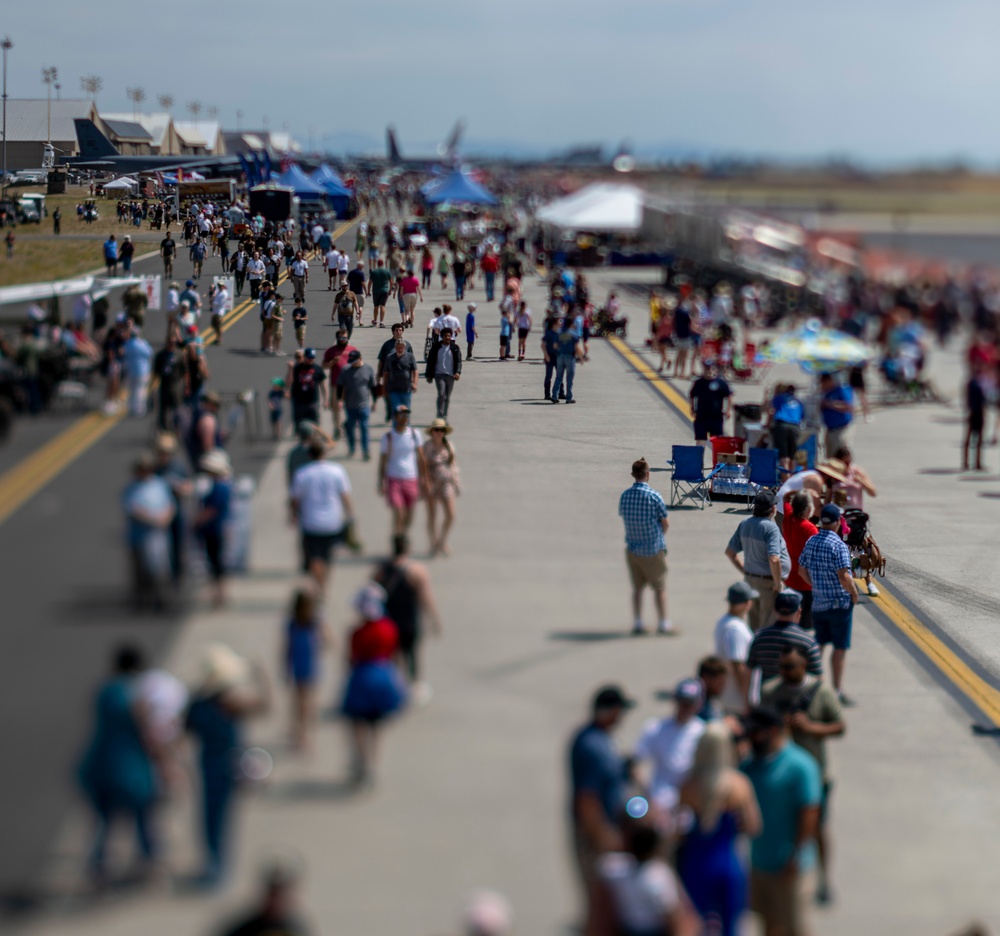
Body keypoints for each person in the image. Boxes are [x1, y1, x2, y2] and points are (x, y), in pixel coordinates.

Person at [761, 644, 846, 906]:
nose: (785, 672)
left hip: (816, 775)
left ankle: (824, 880)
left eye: (790, 667)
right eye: (782, 667)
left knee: (817, 828)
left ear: (804, 666)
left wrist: (810, 728)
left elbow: (839, 726)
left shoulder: (821, 692)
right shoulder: (770, 692)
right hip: (779, 774)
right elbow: (758, 726)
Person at [186, 644, 271, 887]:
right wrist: (263, 678)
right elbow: (265, 706)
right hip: (229, 765)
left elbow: (182, 732)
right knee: (222, 819)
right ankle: (218, 865)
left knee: (209, 817)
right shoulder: (231, 704)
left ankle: (213, 863)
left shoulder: (199, 704)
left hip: (208, 765)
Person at [77, 646, 160, 887]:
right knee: (144, 815)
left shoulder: (104, 691)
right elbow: (146, 733)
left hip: (100, 761)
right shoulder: (135, 696)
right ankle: (149, 862)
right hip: (130, 766)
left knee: (104, 821)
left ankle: (99, 865)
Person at [742, 705, 822, 936]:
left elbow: (810, 812)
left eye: (756, 732)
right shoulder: (750, 765)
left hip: (790, 867)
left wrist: (796, 854)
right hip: (759, 864)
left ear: (774, 731)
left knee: (795, 928)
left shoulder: (800, 766)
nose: (752, 738)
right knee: (769, 926)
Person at [677, 722, 762, 936]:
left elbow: (677, 827)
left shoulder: (689, 785)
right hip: (728, 861)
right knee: (731, 927)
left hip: (697, 861)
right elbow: (754, 827)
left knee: (695, 925)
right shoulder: (739, 784)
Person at [569, 685, 635, 934]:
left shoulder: (602, 739)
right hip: (595, 835)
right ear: (610, 711)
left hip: (610, 826)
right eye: (620, 711)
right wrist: (604, 838)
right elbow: (587, 800)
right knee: (600, 904)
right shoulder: (591, 746)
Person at [340, 584, 408, 785]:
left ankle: (362, 762)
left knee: (358, 723)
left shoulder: (357, 632)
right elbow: (395, 656)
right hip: (384, 676)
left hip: (362, 678)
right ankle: (374, 765)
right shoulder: (389, 628)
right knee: (377, 726)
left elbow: (350, 659)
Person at [798, 504, 859, 705]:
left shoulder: (812, 541)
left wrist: (815, 584)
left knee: (819, 645)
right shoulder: (839, 545)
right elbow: (844, 577)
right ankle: (837, 691)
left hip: (819, 603)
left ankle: (811, 686)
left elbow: (802, 570)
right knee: (839, 648)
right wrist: (854, 593)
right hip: (839, 604)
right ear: (837, 523)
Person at [595, 823, 702, 936]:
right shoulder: (658, 876)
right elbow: (674, 916)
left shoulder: (614, 868)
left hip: (628, 928)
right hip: (653, 930)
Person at [374, 533, 443, 700]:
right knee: (412, 654)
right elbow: (425, 597)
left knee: (393, 656)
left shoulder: (383, 569)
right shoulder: (417, 571)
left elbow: (372, 591)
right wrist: (434, 618)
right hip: (409, 620)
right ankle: (415, 687)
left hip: (388, 621)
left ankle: (394, 686)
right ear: (408, 548)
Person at [290, 439, 354, 592]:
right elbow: (345, 496)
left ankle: (320, 587)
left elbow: (295, 500)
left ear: (309, 455)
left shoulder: (302, 473)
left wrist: (293, 515)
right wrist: (350, 515)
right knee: (327, 558)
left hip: (311, 522)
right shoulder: (337, 470)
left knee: (314, 558)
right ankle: (323, 584)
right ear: (324, 453)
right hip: (333, 522)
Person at [634, 679, 706, 814]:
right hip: (658, 801)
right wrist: (647, 794)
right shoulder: (656, 728)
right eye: (682, 702)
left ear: (698, 705)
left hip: (689, 804)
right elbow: (636, 762)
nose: (685, 707)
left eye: (690, 704)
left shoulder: (703, 732)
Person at [618, 457, 672, 635]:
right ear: (648, 474)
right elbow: (665, 523)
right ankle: (663, 623)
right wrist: (658, 537)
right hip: (652, 549)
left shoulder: (625, 496)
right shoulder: (654, 496)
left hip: (633, 549)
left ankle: (638, 622)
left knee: (637, 588)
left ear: (633, 474)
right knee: (659, 588)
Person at [724, 491, 791, 631]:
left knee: (753, 626)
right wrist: (777, 583)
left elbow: (730, 553)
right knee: (768, 626)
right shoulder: (771, 528)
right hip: (768, 584)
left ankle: (753, 651)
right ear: (772, 509)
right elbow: (774, 558)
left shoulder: (745, 523)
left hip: (750, 581)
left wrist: (746, 571)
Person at [123, 452, 175, 611]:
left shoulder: (160, 485)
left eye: (148, 468)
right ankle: (142, 602)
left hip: (158, 536)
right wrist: (154, 519)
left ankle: (161, 600)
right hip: (139, 537)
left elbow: (170, 505)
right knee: (141, 573)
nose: (145, 471)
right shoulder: (131, 489)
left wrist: (165, 518)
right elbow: (134, 510)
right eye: (142, 469)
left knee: (160, 569)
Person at [284, 587, 333, 751]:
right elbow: (286, 647)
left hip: (306, 665)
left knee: (304, 701)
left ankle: (301, 732)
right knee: (302, 701)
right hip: (303, 665)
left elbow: (328, 640)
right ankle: (301, 732)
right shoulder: (300, 622)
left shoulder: (308, 622)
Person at [746, 590, 824, 689]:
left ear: (774, 610)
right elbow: (818, 677)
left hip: (767, 698)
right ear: (799, 612)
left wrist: (747, 702)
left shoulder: (759, 637)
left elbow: (748, 671)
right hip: (797, 700)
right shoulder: (807, 641)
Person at [832, 445, 880, 597]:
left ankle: (869, 582)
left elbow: (873, 492)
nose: (846, 466)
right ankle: (843, 582)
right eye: (843, 463)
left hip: (857, 518)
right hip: (840, 518)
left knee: (863, 550)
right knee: (842, 551)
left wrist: (861, 481)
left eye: (848, 462)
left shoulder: (856, 471)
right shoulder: (832, 474)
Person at [215, 859, 309, 936]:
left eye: (282, 896)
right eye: (274, 895)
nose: (277, 902)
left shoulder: (296, 928)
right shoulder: (244, 927)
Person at [378, 405, 428, 536]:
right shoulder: (388, 437)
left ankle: (403, 536)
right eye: (402, 414)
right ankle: (397, 539)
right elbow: (383, 461)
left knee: (410, 514)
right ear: (395, 417)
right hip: (394, 478)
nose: (405, 417)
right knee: (399, 512)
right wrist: (381, 481)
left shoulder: (415, 434)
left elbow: (421, 458)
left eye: (407, 414)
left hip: (411, 478)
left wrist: (425, 480)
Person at [195, 449, 233, 609]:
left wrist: (197, 522)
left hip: (214, 529)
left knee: (216, 563)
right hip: (216, 528)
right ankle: (219, 594)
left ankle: (219, 595)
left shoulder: (219, 488)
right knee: (216, 563)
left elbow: (211, 510)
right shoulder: (221, 485)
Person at [714, 582, 758, 714]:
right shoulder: (736, 630)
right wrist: (746, 699)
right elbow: (738, 666)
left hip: (729, 696)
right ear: (747, 603)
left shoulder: (724, 621)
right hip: (737, 701)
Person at [423, 418, 461, 556]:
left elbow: (453, 465)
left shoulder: (449, 446)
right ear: (432, 432)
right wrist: (425, 483)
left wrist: (456, 483)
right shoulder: (427, 447)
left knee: (451, 514)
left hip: (446, 483)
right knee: (432, 515)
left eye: (442, 430)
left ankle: (443, 540)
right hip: (432, 484)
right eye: (436, 430)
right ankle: (433, 543)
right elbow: (423, 467)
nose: (439, 433)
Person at [783, 492, 818, 629]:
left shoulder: (788, 517)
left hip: (790, 578)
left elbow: (785, 497)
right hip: (806, 584)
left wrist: (795, 490)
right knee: (806, 626)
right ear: (809, 509)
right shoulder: (810, 529)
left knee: (790, 621)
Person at [337, 349, 377, 460]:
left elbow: (373, 386)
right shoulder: (345, 370)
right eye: (351, 361)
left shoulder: (368, 369)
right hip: (350, 405)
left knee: (364, 427)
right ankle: (352, 448)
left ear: (360, 359)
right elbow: (340, 385)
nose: (352, 363)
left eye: (354, 361)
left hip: (364, 405)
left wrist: (375, 401)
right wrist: (339, 400)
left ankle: (365, 451)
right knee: (350, 428)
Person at [689, 361, 733, 446]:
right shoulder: (699, 383)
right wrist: (692, 408)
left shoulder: (721, 383)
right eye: (707, 368)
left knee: (717, 441)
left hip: (716, 417)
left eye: (712, 368)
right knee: (700, 440)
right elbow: (693, 396)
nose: (709, 371)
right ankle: (699, 458)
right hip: (702, 416)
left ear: (715, 370)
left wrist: (728, 410)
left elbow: (728, 396)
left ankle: (717, 459)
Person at [425, 327, 463, 421]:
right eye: (445, 336)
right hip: (439, 375)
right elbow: (430, 361)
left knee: (447, 397)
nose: (447, 338)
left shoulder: (455, 348)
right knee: (442, 394)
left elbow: (458, 361)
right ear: (442, 337)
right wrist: (429, 375)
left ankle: (444, 415)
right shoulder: (436, 347)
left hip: (450, 375)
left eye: (449, 336)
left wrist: (457, 372)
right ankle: (440, 415)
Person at [768, 383, 805, 471]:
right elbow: (802, 417)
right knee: (792, 456)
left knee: (784, 455)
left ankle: (785, 481)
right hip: (795, 427)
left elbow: (771, 411)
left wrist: (768, 424)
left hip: (782, 425)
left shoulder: (780, 398)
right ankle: (792, 478)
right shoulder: (798, 401)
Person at [288, 348, 327, 426]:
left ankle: (315, 437)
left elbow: (323, 385)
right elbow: (289, 382)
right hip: (299, 402)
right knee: (299, 424)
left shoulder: (318, 369)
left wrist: (325, 400)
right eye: (309, 357)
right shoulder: (297, 368)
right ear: (304, 357)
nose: (311, 359)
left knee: (315, 423)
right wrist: (290, 370)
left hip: (313, 401)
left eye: (312, 357)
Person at [819, 372, 854, 456]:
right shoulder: (827, 393)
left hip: (840, 429)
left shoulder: (841, 390)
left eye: (824, 383)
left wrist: (830, 404)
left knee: (839, 453)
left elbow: (847, 406)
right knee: (829, 455)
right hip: (829, 429)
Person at [122, 324, 154, 417]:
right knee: (140, 390)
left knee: (131, 390)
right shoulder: (142, 344)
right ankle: (139, 409)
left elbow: (124, 354)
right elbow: (150, 353)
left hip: (131, 369)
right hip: (142, 370)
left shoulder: (128, 344)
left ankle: (131, 408)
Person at [382, 338, 419, 414]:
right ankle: (395, 425)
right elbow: (386, 373)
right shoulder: (390, 357)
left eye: (401, 348)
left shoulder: (410, 357)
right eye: (398, 348)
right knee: (396, 411)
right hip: (393, 389)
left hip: (406, 389)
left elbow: (415, 371)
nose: (399, 349)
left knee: (405, 410)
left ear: (404, 348)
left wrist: (415, 383)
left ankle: (406, 425)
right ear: (395, 348)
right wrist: (384, 386)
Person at [552, 315, 583, 404]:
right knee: (569, 378)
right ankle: (568, 398)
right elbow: (577, 347)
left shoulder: (559, 333)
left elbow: (555, 345)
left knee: (558, 377)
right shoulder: (573, 334)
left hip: (560, 356)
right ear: (571, 324)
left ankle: (554, 396)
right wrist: (581, 358)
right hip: (570, 356)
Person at [964, 365, 987, 472]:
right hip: (976, 413)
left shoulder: (973, 383)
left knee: (974, 439)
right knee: (973, 439)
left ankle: (971, 462)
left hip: (975, 412)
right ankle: (972, 462)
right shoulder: (976, 384)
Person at [369, 258, 393, 327]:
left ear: (377, 264)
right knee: (383, 306)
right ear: (383, 264)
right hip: (384, 290)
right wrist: (390, 290)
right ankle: (381, 322)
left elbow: (370, 282)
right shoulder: (386, 271)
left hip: (376, 291)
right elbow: (391, 281)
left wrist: (368, 291)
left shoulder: (374, 272)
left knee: (376, 307)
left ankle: (375, 320)